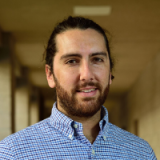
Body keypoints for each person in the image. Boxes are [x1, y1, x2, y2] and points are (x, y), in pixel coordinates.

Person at [0, 16, 157, 159]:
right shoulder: (12, 153)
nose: (86, 75)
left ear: (110, 72)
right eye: (72, 61)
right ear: (50, 75)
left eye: (97, 59)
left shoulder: (142, 153)